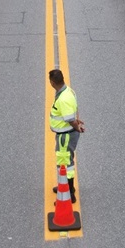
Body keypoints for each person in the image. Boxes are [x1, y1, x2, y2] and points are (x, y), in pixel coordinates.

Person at [48, 68, 84, 202]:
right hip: (66, 133)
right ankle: (65, 186)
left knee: (65, 164)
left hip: (66, 135)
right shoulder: (68, 91)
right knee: (65, 162)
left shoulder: (63, 98)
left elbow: (70, 119)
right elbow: (73, 111)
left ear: (52, 82)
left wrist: (76, 126)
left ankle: (69, 193)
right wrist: (77, 122)